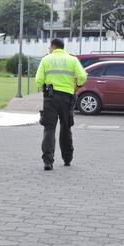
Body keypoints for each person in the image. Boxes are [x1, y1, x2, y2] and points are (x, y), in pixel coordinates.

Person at [35, 38, 87, 171]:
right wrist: (78, 85)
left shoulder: (46, 59)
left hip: (50, 98)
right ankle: (67, 158)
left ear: (53, 47)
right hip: (67, 98)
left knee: (49, 128)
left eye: (49, 48)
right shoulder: (72, 59)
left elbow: (39, 79)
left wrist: (42, 89)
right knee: (66, 127)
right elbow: (82, 76)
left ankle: (48, 161)